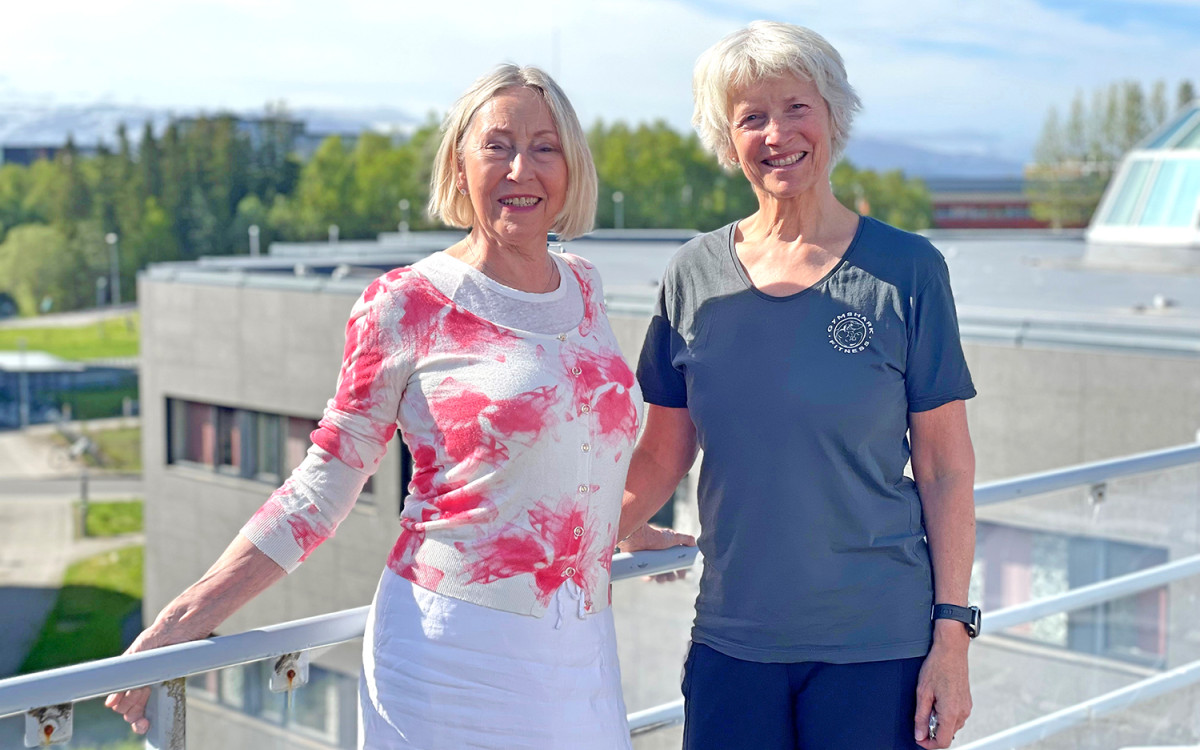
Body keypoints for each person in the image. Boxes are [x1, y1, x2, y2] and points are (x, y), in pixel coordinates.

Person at [107, 64, 661, 749]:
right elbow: (322, 486)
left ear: (571, 169)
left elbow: (568, 444)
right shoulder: (408, 302)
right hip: (454, 653)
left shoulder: (584, 286)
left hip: (583, 652)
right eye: (497, 146)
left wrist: (615, 527)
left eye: (545, 147)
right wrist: (185, 618)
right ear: (459, 166)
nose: (522, 168)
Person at [617, 21, 978, 750]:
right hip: (732, 645)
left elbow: (944, 469)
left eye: (796, 106)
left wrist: (952, 637)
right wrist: (594, 533)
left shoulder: (908, 272)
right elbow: (661, 454)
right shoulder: (692, 275)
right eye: (751, 116)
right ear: (728, 139)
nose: (777, 133)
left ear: (834, 115)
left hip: (877, 648)